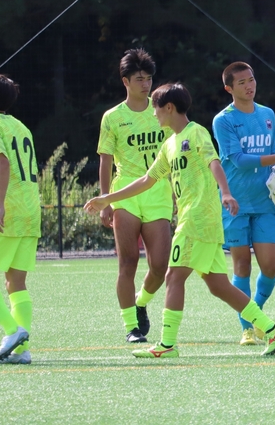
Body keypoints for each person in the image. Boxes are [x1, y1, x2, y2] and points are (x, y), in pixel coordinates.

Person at [85, 83, 275, 359]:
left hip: (197, 219)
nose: (154, 114)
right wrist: (107, 198)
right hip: (200, 223)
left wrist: (226, 192)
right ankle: (270, 328)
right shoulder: (168, 144)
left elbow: (213, 162)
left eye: (156, 109)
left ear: (168, 108)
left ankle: (167, 343)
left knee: (173, 276)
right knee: (219, 285)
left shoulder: (196, 133)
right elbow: (146, 180)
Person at [212, 62, 275, 345]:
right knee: (242, 267)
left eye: (252, 80)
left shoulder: (268, 114)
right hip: (235, 203)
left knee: (270, 268)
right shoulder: (223, 120)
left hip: (265, 202)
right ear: (229, 88)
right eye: (242, 83)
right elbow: (238, 160)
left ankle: (256, 315)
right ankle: (248, 328)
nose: (249, 86)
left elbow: (271, 155)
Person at [97, 49, 171, 343]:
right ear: (125, 81)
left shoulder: (163, 111)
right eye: (139, 78)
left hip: (158, 192)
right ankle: (131, 327)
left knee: (160, 266)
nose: (146, 84)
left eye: (149, 78)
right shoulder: (113, 117)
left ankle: (141, 302)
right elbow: (105, 160)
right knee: (127, 262)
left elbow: (175, 152)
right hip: (125, 193)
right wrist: (105, 200)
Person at [0, 74, 39, 365]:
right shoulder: (21, 127)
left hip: (8, 209)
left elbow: (2, 161)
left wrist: (2, 204)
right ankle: (21, 350)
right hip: (31, 211)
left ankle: (12, 330)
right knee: (16, 282)